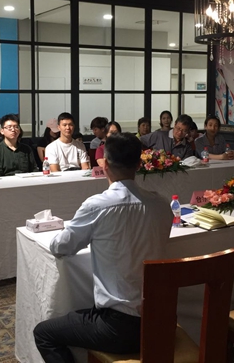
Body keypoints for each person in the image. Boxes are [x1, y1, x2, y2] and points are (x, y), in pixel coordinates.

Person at [33, 133, 173, 362]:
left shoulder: (98, 206)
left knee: (44, 333)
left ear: (104, 164)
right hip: (160, 320)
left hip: (119, 327)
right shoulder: (161, 203)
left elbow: (61, 247)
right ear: (139, 164)